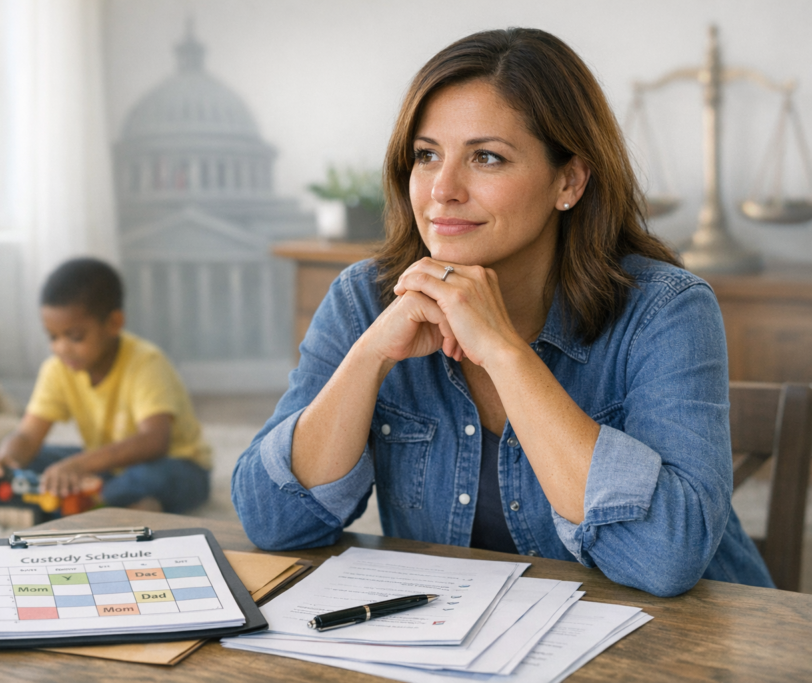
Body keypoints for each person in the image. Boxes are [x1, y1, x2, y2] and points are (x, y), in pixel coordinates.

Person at [231, 28, 773, 597]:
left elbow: (666, 557)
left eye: (486, 158)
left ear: (569, 180)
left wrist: (505, 354)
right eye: (426, 155)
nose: (442, 190)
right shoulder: (364, 298)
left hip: (686, 636)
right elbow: (273, 523)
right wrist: (369, 357)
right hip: (462, 632)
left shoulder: (665, 309)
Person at [0, 257, 210, 513]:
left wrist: (80, 466)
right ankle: (108, 506)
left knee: (152, 478)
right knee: (35, 463)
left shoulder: (146, 362)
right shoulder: (57, 369)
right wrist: (5, 462)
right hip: (107, 468)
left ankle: (86, 506)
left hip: (174, 464)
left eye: (75, 337)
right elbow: (28, 436)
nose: (61, 348)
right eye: (52, 336)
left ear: (114, 323)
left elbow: (154, 441)